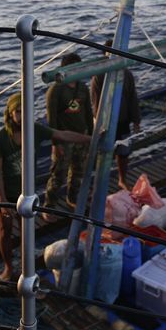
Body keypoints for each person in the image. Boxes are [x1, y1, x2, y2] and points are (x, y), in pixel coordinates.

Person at [0, 93, 90, 281]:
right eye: (17, 112)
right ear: (10, 113)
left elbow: (62, 134)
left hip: (26, 192)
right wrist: (3, 201)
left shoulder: (35, 130)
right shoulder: (0, 139)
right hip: (6, 193)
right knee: (5, 230)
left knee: (26, 228)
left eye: (24, 112)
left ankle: (25, 264)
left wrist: (89, 139)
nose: (20, 116)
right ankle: (8, 267)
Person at [44, 52, 94, 215]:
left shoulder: (83, 88)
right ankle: (49, 205)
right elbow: (51, 119)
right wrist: (55, 143)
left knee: (78, 172)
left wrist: (90, 136)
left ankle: (72, 198)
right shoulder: (56, 90)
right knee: (58, 175)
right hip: (63, 140)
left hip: (81, 137)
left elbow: (88, 112)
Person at [91, 40, 142, 190]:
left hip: (123, 120)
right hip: (105, 123)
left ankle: (122, 179)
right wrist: (98, 123)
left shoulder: (126, 74)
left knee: (124, 152)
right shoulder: (99, 76)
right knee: (104, 153)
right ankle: (100, 183)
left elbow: (133, 97)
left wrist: (136, 120)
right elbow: (95, 101)